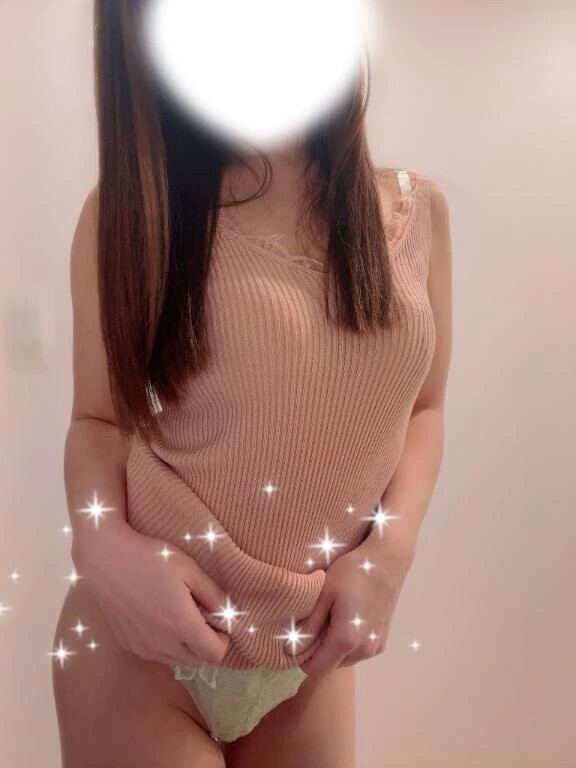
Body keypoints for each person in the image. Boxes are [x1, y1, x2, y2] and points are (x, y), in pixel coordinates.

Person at [52, 4, 452, 767]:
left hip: (308, 658)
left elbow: (425, 408)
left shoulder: (418, 212)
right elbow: (98, 421)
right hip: (141, 650)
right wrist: (100, 545)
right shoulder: (126, 218)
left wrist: (389, 553)